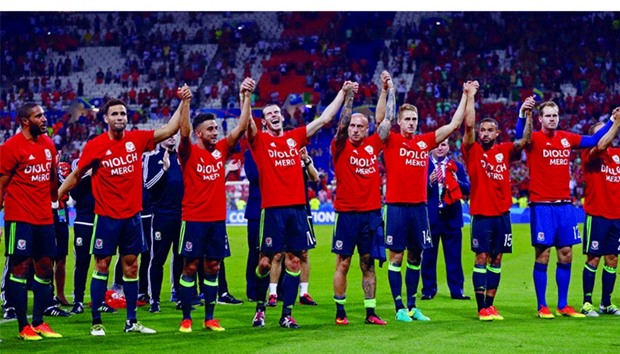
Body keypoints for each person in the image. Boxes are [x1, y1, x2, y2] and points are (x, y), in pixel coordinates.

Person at [58, 85, 192, 336]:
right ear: (106, 118)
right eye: (115, 114)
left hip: (132, 217)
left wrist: (183, 102)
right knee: (102, 266)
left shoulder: (137, 139)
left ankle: (132, 321)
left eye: (123, 114)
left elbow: (171, 129)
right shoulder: (95, 145)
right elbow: (77, 175)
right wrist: (55, 196)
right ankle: (96, 321)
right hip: (106, 217)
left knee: (131, 267)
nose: (120, 118)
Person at [249, 80, 354, 329]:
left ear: (282, 118)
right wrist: (246, 96)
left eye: (277, 112)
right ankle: (260, 308)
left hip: (297, 209)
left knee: (294, 262)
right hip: (272, 209)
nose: (274, 115)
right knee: (264, 263)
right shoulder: (261, 141)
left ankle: (287, 313)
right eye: (269, 114)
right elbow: (246, 125)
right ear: (264, 122)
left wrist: (341, 92)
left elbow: (324, 118)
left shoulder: (295, 138)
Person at [375, 71, 470, 322]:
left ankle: (412, 306)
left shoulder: (423, 143)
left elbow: (453, 126)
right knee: (396, 256)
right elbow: (380, 118)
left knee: (416, 256)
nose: (411, 122)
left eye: (414, 119)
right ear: (399, 121)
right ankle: (398, 308)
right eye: (407, 119)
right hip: (396, 207)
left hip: (419, 209)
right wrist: (386, 90)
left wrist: (465, 95)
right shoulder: (391, 140)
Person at [518, 99, 615, 319]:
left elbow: (593, 139)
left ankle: (563, 305)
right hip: (542, 206)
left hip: (565, 206)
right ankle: (542, 306)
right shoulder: (533, 138)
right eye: (548, 115)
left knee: (566, 254)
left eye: (555, 115)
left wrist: (611, 121)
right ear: (541, 118)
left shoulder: (567, 138)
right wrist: (524, 114)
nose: (552, 119)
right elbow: (519, 136)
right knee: (543, 255)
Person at [177, 78, 254, 333]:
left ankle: (209, 318)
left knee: (213, 267)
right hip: (194, 219)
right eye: (210, 129)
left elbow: (242, 126)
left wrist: (245, 96)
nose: (215, 132)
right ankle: (186, 317)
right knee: (190, 266)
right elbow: (184, 131)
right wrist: (186, 104)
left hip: (217, 220)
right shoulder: (188, 151)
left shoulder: (221, 150)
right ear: (200, 133)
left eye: (216, 128)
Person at [461, 91, 533, 321]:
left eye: (490, 130)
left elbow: (524, 141)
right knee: (481, 258)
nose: (485, 134)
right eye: (483, 130)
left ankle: (491, 305)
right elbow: (469, 126)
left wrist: (525, 115)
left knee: (497, 259)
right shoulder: (472, 151)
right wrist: (470, 96)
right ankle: (481, 307)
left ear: (497, 133)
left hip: (502, 214)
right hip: (481, 214)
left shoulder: (503, 150)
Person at [0, 103, 63, 340]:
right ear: (25, 121)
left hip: (44, 216)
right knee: (20, 268)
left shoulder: (48, 144)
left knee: (45, 266)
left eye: (44, 115)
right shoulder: (10, 148)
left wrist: (54, 202)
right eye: (39, 116)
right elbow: (2, 184)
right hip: (19, 216)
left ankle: (39, 321)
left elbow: (52, 176)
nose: (44, 119)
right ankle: (23, 325)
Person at [331, 81, 387, 326]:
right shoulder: (339, 146)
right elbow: (341, 125)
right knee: (343, 262)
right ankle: (340, 312)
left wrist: (388, 90)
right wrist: (350, 97)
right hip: (346, 214)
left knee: (368, 263)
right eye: (352, 125)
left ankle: (370, 312)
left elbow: (387, 121)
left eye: (359, 126)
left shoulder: (373, 145)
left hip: (371, 215)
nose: (354, 129)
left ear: (367, 129)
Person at [579, 108, 620, 316]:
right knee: (593, 258)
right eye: (600, 131)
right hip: (597, 215)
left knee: (612, 259)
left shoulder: (618, 155)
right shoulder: (590, 154)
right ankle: (587, 303)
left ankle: (606, 303)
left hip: (617, 217)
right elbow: (602, 143)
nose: (605, 134)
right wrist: (615, 122)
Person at [266, 146, 319, 307]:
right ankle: (273, 293)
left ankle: (304, 293)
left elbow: (315, 177)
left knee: (303, 253)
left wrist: (306, 160)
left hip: (302, 211)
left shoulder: (303, 160)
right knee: (277, 254)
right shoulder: (278, 160)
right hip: (281, 210)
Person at [422, 138, 470, 301]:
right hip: (431, 218)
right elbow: (416, 189)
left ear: (448, 147)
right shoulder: (423, 165)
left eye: (443, 145)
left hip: (452, 217)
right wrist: (428, 182)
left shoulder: (458, 166)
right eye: (437, 145)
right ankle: (428, 290)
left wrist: (458, 182)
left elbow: (468, 188)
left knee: (454, 256)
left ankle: (457, 290)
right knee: (428, 256)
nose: (440, 148)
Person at [144, 132, 184, 313]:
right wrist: (164, 170)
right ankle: (155, 299)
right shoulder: (152, 158)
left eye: (174, 134)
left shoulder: (182, 157)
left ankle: (180, 295)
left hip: (182, 215)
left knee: (180, 257)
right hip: (161, 215)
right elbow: (148, 186)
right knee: (158, 258)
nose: (172, 137)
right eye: (168, 134)